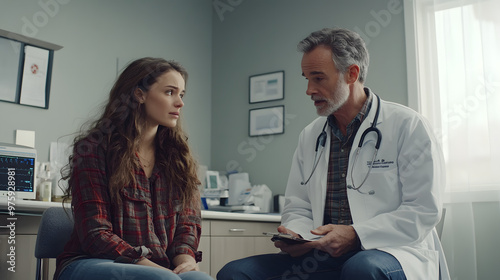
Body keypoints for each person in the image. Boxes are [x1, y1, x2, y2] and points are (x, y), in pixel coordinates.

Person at [217, 28, 450, 279]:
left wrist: (356, 235)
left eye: (318, 78)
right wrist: (297, 235)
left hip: (393, 252)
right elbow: (298, 206)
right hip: (322, 257)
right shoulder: (310, 136)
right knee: (236, 273)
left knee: (361, 267)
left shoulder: (408, 126)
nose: (309, 89)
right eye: (306, 78)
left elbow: (423, 211)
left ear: (352, 73)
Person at [55, 57, 214, 280]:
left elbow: (187, 225)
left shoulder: (178, 158)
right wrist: (155, 268)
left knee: (200, 279)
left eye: (181, 94)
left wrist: (185, 260)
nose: (180, 103)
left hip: (157, 267)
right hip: (89, 261)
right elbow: (96, 232)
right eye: (169, 92)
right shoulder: (94, 149)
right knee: (163, 279)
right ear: (139, 94)